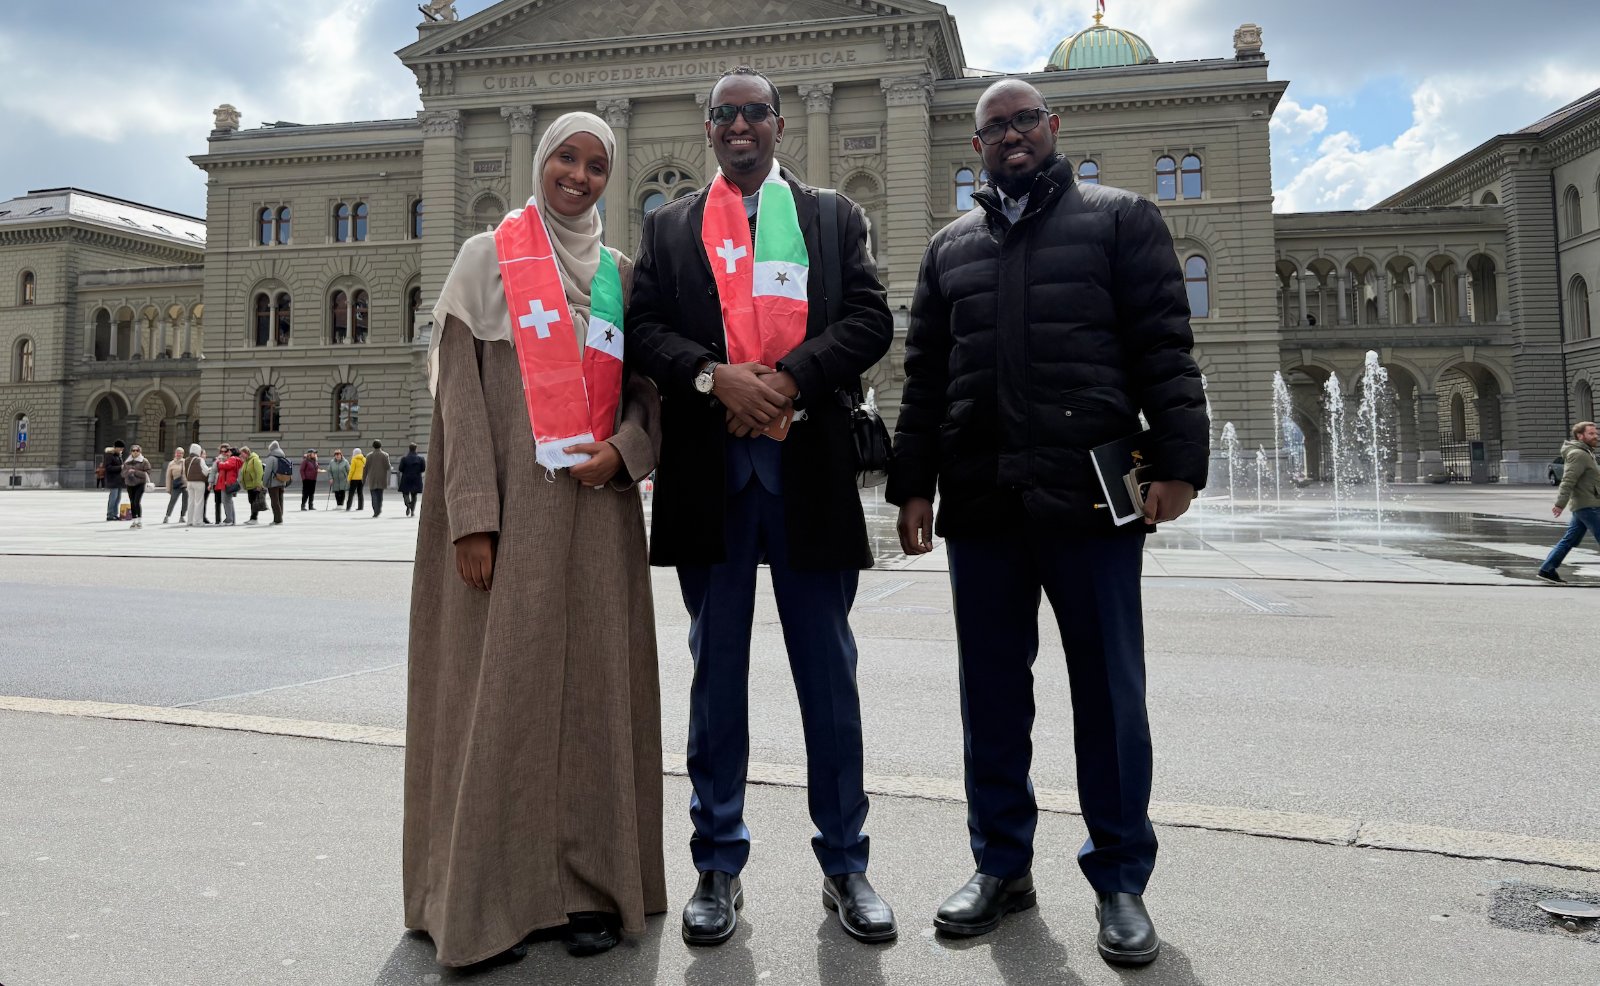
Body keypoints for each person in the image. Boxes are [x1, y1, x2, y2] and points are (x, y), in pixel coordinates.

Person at [887, 79, 1208, 968]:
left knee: (1109, 694)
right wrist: (914, 484)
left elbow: (1162, 345)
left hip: (1090, 498)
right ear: (976, 145)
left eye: (1025, 120)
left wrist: (1179, 461)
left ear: (1053, 129)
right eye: (994, 127)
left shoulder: (1120, 218)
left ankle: (1120, 880)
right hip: (984, 501)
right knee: (991, 694)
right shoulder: (950, 247)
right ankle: (1001, 866)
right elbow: (925, 380)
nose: (1011, 136)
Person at [627, 66, 897, 947]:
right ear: (708, 130)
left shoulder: (830, 215)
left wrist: (784, 381)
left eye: (754, 113)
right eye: (724, 115)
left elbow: (868, 320)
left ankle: (846, 865)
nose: (739, 126)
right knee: (717, 685)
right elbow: (644, 332)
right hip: (714, 484)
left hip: (806, 473)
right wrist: (714, 379)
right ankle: (717, 865)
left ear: (779, 125)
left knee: (830, 682)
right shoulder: (668, 230)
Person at [405, 110, 665, 968]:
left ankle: (590, 891)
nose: (580, 176)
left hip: (597, 516)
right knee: (500, 698)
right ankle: (483, 897)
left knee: (595, 696)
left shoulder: (621, 275)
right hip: (512, 516)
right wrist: (472, 516)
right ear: (539, 160)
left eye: (596, 165)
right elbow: (461, 403)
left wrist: (625, 453)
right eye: (567, 158)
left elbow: (645, 400)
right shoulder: (489, 257)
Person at [1537, 421, 1600, 584]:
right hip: (1588, 505)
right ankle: (1547, 569)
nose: (1596, 436)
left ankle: (1547, 569)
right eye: (1591, 434)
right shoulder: (1578, 454)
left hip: (1587, 504)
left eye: (1596, 433)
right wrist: (1560, 503)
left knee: (1570, 539)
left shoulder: (1586, 453)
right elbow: (1568, 480)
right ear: (1580, 436)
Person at [122, 445, 151, 529]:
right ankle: (134, 521)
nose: (135, 452)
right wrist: (128, 472)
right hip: (129, 484)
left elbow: (147, 473)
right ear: (131, 452)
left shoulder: (144, 461)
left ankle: (139, 521)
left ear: (140, 452)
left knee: (136, 501)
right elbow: (122, 473)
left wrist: (135, 472)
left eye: (137, 450)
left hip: (140, 484)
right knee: (132, 502)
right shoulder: (127, 461)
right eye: (133, 450)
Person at [264, 440, 293, 524]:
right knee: (280, 500)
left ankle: (277, 520)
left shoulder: (271, 458)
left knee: (274, 501)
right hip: (282, 482)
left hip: (273, 483)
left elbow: (267, 472)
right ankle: (280, 517)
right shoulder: (282, 457)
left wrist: (265, 483)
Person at [215, 446, 242, 526]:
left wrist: (219, 462)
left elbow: (226, 466)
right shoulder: (236, 459)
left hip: (228, 482)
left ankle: (229, 519)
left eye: (229, 452)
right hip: (230, 481)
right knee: (229, 501)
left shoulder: (233, 458)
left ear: (232, 452)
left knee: (226, 501)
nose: (227, 453)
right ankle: (231, 519)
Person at [184, 444, 209, 527]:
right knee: (199, 502)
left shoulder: (186, 460)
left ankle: (190, 521)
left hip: (189, 482)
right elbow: (205, 471)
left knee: (191, 501)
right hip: (199, 482)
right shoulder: (200, 459)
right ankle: (198, 521)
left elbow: (185, 471)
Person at [398, 443, 426, 517]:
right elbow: (423, 469)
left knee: (405, 494)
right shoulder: (421, 459)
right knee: (414, 495)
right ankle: (412, 510)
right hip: (416, 478)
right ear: (416, 449)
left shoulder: (404, 459)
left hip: (406, 477)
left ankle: (408, 505)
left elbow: (400, 469)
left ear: (409, 449)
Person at [240, 446, 265, 525]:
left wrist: (258, 484)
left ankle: (254, 518)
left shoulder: (255, 459)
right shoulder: (247, 461)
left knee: (255, 502)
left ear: (246, 452)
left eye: (242, 454)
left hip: (255, 485)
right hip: (249, 485)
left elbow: (259, 472)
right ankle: (252, 518)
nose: (241, 455)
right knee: (252, 502)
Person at [163, 447, 188, 524]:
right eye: (177, 452)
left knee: (185, 501)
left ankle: (182, 516)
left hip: (185, 484)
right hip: (176, 485)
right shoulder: (171, 463)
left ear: (183, 454)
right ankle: (167, 516)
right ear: (175, 453)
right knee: (172, 500)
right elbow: (168, 477)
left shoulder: (186, 462)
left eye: (181, 453)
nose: (179, 454)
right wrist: (168, 488)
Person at [367, 440, 391, 517]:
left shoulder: (369, 456)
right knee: (380, 495)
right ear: (380, 446)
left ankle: (375, 510)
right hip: (381, 478)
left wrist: (363, 478)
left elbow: (366, 467)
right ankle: (379, 509)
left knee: (373, 495)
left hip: (372, 478)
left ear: (373, 446)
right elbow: (388, 467)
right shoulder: (385, 455)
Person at [103, 441, 125, 520]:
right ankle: (110, 514)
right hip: (112, 480)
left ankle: (115, 514)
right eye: (120, 448)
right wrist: (120, 467)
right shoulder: (109, 455)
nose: (121, 450)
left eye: (122, 448)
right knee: (113, 497)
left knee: (118, 498)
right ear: (115, 447)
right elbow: (108, 467)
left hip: (119, 480)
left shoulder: (119, 456)